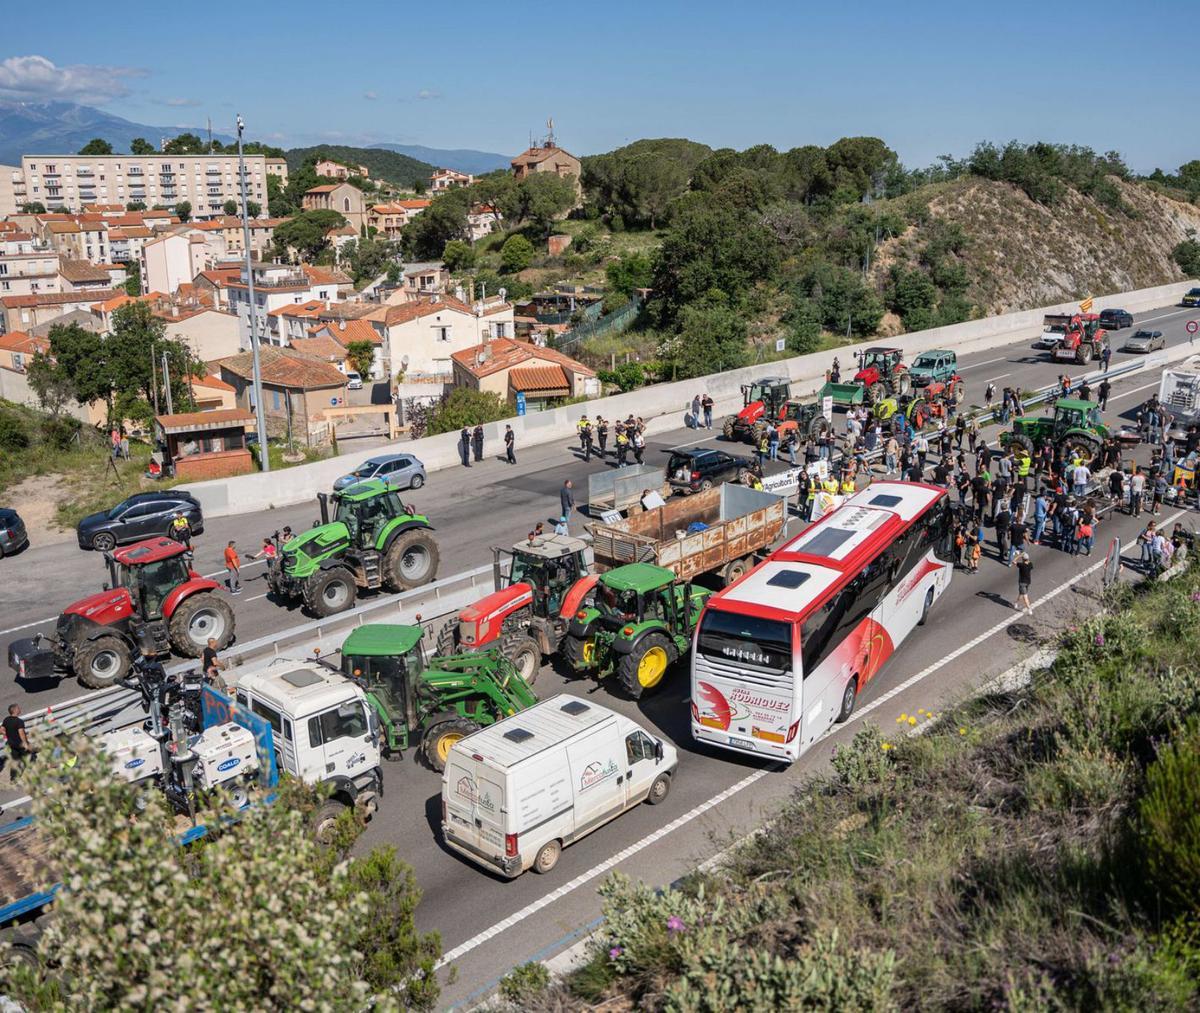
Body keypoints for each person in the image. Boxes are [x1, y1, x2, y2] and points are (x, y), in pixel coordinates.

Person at [3, 704, 36, 780]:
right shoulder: (19, 721)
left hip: (11, 743)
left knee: (15, 760)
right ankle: (34, 773)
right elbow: (21, 733)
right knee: (30, 757)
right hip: (19, 744)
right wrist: (25, 743)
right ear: (15, 710)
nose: (20, 709)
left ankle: (13, 778)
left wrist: (8, 733)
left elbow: (1, 729)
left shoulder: (6, 719)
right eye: (18, 708)